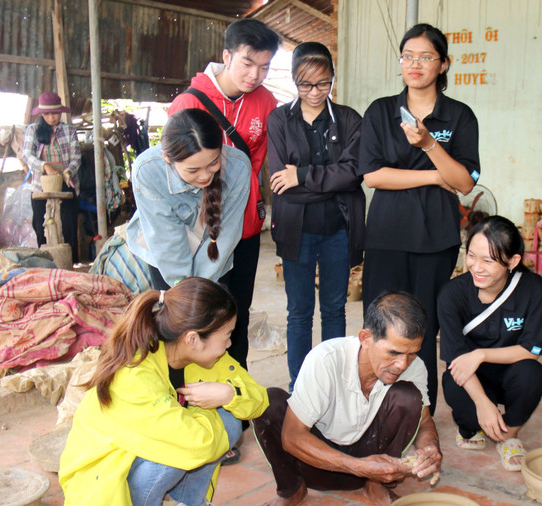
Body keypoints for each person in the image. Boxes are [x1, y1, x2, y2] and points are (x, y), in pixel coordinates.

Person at [58, 278, 269, 506]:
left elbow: (258, 400)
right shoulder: (135, 376)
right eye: (227, 336)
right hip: (100, 481)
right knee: (176, 451)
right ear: (193, 338)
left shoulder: (199, 355)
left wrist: (229, 394)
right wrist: (212, 405)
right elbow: (194, 443)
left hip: (155, 448)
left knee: (231, 418)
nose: (230, 344)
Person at [359, 23, 480, 411]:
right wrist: (434, 173)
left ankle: (420, 410)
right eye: (408, 56)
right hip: (386, 236)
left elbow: (463, 182)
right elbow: (373, 175)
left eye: (426, 57)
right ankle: (376, 404)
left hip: (436, 239)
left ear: (443, 65)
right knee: (381, 325)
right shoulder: (380, 111)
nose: (415, 64)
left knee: (424, 328)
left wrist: (429, 143)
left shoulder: (459, 116)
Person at [253, 292, 442, 506]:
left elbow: (424, 422)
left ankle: (376, 486)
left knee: (408, 396)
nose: (402, 364)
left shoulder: (414, 368)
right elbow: (292, 437)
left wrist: (429, 448)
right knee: (267, 402)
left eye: (412, 353)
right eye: (393, 353)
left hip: (372, 461)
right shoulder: (326, 359)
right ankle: (293, 489)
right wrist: (360, 467)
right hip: (315, 463)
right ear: (365, 338)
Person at [168, 18, 281, 369]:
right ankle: (192, 392)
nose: (255, 75)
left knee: (237, 313)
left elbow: (261, 160)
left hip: (245, 226)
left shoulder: (267, 102)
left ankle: (235, 388)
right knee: (200, 315)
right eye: (248, 63)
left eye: (264, 67)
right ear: (227, 56)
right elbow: (175, 171)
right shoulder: (190, 101)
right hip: (202, 229)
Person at [267, 41, 365, 391]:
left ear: (332, 80)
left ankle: (334, 381)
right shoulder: (279, 119)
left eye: (323, 83)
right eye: (306, 84)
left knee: (335, 308)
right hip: (298, 229)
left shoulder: (351, 119)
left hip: (338, 227)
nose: (314, 92)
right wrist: (332, 180)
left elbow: (354, 172)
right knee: (299, 312)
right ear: (294, 80)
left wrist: (304, 176)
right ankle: (301, 384)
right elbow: (280, 179)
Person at [437, 216, 542, 471]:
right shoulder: (452, 295)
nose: (477, 267)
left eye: (488, 260)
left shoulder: (533, 289)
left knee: (532, 375)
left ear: (513, 261)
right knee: (454, 386)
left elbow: (531, 350)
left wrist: (480, 354)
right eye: (472, 256)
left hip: (512, 368)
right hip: (471, 374)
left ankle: (509, 435)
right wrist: (482, 403)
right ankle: (469, 429)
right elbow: (456, 359)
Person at [126, 108, 250, 289]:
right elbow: (166, 238)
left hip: (216, 257)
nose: (205, 176)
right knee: (175, 312)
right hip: (166, 258)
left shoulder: (238, 167)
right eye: (193, 170)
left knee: (214, 311)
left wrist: (201, 288)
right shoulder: (148, 170)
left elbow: (226, 235)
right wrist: (184, 288)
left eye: (213, 163)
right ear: (167, 158)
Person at [21, 91, 81, 254]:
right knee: (42, 227)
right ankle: (45, 262)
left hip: (66, 183)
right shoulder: (33, 130)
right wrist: (44, 166)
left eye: (55, 113)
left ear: (60, 112)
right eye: (47, 114)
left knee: (68, 226)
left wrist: (68, 171)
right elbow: (26, 154)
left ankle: (71, 263)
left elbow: (76, 157)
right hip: (41, 185)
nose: (51, 117)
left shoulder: (69, 131)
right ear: (41, 114)